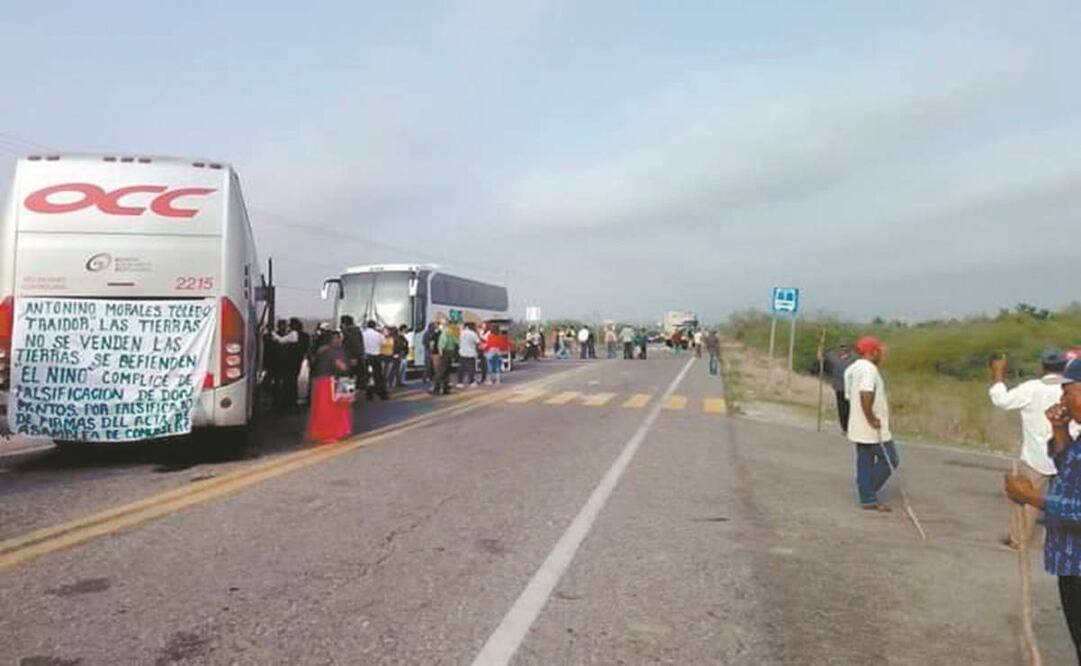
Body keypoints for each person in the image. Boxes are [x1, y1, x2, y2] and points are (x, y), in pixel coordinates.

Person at [1005, 359, 1081, 662]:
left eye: (1068, 392)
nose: (1062, 399)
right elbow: (1069, 473)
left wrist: (1031, 498)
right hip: (1072, 563)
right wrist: (1059, 430)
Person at [990, 348, 1066, 550]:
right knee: (1068, 502)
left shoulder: (1031, 388)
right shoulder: (1072, 388)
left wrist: (998, 374)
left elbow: (1001, 401)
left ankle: (1019, 539)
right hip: (1066, 455)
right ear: (1064, 366)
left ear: (1043, 366)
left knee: (1026, 499)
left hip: (1036, 456)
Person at [843, 336, 898, 511]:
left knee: (865, 459)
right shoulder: (869, 370)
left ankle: (867, 495)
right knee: (890, 459)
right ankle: (867, 492)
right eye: (879, 351)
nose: (881, 355)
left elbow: (848, 396)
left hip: (857, 424)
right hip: (870, 426)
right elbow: (865, 394)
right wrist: (871, 418)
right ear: (872, 352)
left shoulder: (851, 369)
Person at [307, 330, 353, 444]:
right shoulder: (335, 351)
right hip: (332, 382)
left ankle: (320, 433)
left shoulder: (320, 351)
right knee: (335, 408)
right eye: (336, 338)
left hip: (319, 381)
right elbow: (342, 367)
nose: (338, 340)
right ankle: (331, 433)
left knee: (320, 409)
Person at [823, 344, 855, 434]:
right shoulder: (835, 358)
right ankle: (844, 428)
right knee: (841, 408)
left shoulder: (853, 360)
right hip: (839, 387)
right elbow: (826, 355)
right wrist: (822, 349)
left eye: (844, 348)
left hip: (850, 387)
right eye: (841, 348)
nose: (842, 350)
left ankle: (850, 427)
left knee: (849, 408)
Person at [269, 319, 298, 410]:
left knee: (285, 384)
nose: (284, 327)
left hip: (285, 364)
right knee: (279, 384)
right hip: (279, 363)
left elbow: (281, 341)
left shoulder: (290, 335)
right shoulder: (289, 335)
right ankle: (279, 403)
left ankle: (283, 403)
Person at [362, 320, 389, 400]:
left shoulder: (363, 334)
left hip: (366, 357)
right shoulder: (378, 335)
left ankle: (369, 393)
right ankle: (382, 393)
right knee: (378, 376)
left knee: (368, 376)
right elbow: (384, 343)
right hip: (376, 357)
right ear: (374, 326)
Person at [340, 315, 366, 392]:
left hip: (351, 357)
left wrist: (353, 357)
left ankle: (349, 392)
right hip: (352, 357)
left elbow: (355, 345)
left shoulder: (351, 332)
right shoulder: (354, 331)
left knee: (349, 376)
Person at [288, 318, 310, 409]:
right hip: (297, 360)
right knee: (293, 380)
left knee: (290, 381)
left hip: (291, 360)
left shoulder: (291, 335)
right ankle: (292, 401)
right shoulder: (304, 336)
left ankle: (290, 401)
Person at [433, 320, 459, 395]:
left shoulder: (444, 332)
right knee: (447, 371)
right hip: (451, 352)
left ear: (444, 324)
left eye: (440, 323)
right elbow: (456, 342)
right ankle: (446, 388)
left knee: (440, 371)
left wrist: (440, 352)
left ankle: (436, 389)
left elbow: (442, 343)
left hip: (445, 352)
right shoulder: (451, 332)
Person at [457, 322, 481, 387]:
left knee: (461, 368)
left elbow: (458, 342)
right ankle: (471, 381)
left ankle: (460, 382)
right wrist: (478, 351)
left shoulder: (461, 333)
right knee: (471, 368)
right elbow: (478, 343)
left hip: (462, 352)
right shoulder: (473, 334)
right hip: (471, 353)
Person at [380, 325, 398, 390]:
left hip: (390, 357)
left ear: (389, 331)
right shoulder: (381, 338)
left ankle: (388, 386)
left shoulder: (393, 339)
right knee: (382, 373)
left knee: (389, 372)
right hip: (382, 357)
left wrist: (395, 354)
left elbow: (396, 347)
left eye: (385, 331)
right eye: (383, 331)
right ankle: (383, 386)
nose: (384, 332)